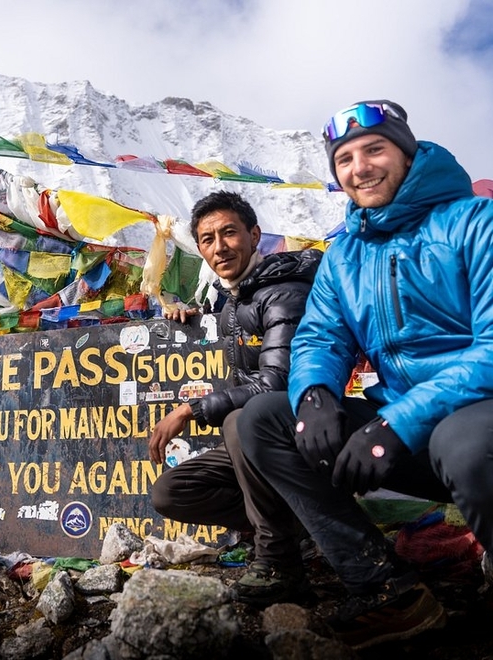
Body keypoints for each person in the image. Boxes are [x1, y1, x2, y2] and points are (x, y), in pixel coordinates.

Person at [237, 100, 493, 649]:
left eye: (374, 149)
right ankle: (384, 589)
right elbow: (320, 336)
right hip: (400, 434)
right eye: (345, 159)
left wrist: (399, 422)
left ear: (407, 153)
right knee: (263, 418)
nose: (360, 168)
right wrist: (314, 393)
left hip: (474, 420)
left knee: (464, 444)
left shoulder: (476, 222)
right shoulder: (344, 254)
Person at [148, 190, 322, 606]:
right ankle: (297, 523)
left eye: (229, 233)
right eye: (207, 239)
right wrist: (187, 316)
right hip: (255, 438)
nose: (219, 247)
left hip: (304, 434)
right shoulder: (233, 300)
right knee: (171, 492)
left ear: (254, 235)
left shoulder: (283, 293)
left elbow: (276, 383)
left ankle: (279, 560)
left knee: (239, 420)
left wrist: (190, 409)